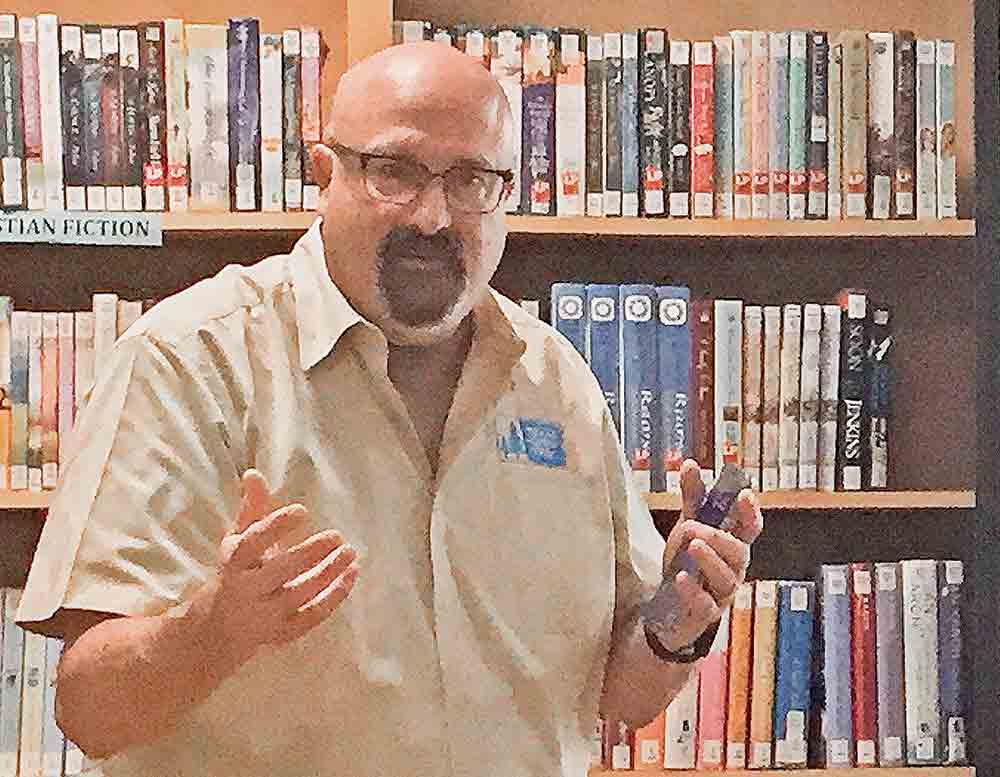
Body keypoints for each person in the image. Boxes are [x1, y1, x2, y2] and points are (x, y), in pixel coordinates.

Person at [15, 41, 762, 777]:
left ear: (506, 191)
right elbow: (89, 709)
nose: (433, 216)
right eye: (394, 171)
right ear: (324, 174)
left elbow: (620, 693)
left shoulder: (555, 381)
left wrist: (678, 619)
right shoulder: (186, 360)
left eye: (470, 179)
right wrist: (214, 631)